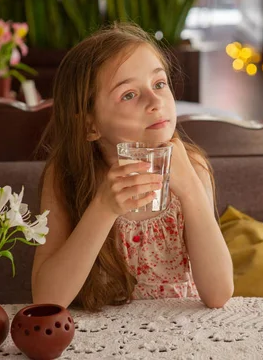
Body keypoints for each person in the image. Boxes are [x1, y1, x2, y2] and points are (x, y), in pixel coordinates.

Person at [31, 23, 234, 311]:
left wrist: (189, 188)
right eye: (128, 94)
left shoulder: (194, 168)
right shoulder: (66, 177)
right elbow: (47, 300)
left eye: (159, 84)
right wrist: (103, 208)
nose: (155, 101)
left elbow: (219, 294)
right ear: (90, 124)